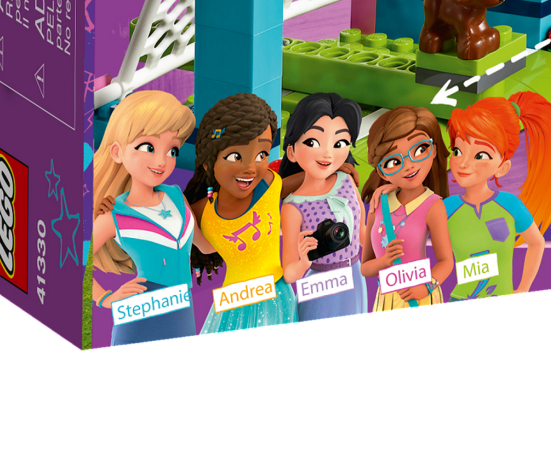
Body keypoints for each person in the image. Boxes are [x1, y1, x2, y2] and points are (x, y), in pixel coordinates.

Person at [89, 90, 197, 345]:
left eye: (172, 150)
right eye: (148, 147)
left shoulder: (176, 196)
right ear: (117, 152)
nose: (161, 161)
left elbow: (207, 244)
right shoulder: (114, 215)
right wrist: (104, 297)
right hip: (141, 316)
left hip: (183, 312)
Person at [442, 94, 551, 300]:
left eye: (480, 155)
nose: (463, 163)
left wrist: (523, 289)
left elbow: (537, 243)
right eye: (457, 151)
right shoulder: (446, 208)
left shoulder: (509, 205)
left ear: (502, 167)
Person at [186, 93, 296, 333]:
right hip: (232, 306)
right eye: (235, 156)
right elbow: (200, 242)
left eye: (261, 155)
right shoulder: (202, 211)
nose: (250, 169)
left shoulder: (269, 185)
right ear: (208, 162)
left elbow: (303, 181)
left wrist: (336, 170)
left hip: (276, 297)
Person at [277, 92, 365, 320]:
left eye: (340, 143)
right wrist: (303, 262)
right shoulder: (292, 206)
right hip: (319, 284)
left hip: (355, 276)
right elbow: (289, 273)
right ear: (291, 152)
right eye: (312, 142)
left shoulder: (347, 181)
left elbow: (363, 233)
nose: (327, 153)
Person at [359, 107, 454, 312]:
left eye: (419, 150)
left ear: (433, 150)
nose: (409, 165)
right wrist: (384, 261)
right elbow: (365, 267)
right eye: (394, 161)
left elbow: (446, 261)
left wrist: (426, 287)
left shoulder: (433, 205)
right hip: (385, 301)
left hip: (421, 299)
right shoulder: (378, 203)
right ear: (381, 171)